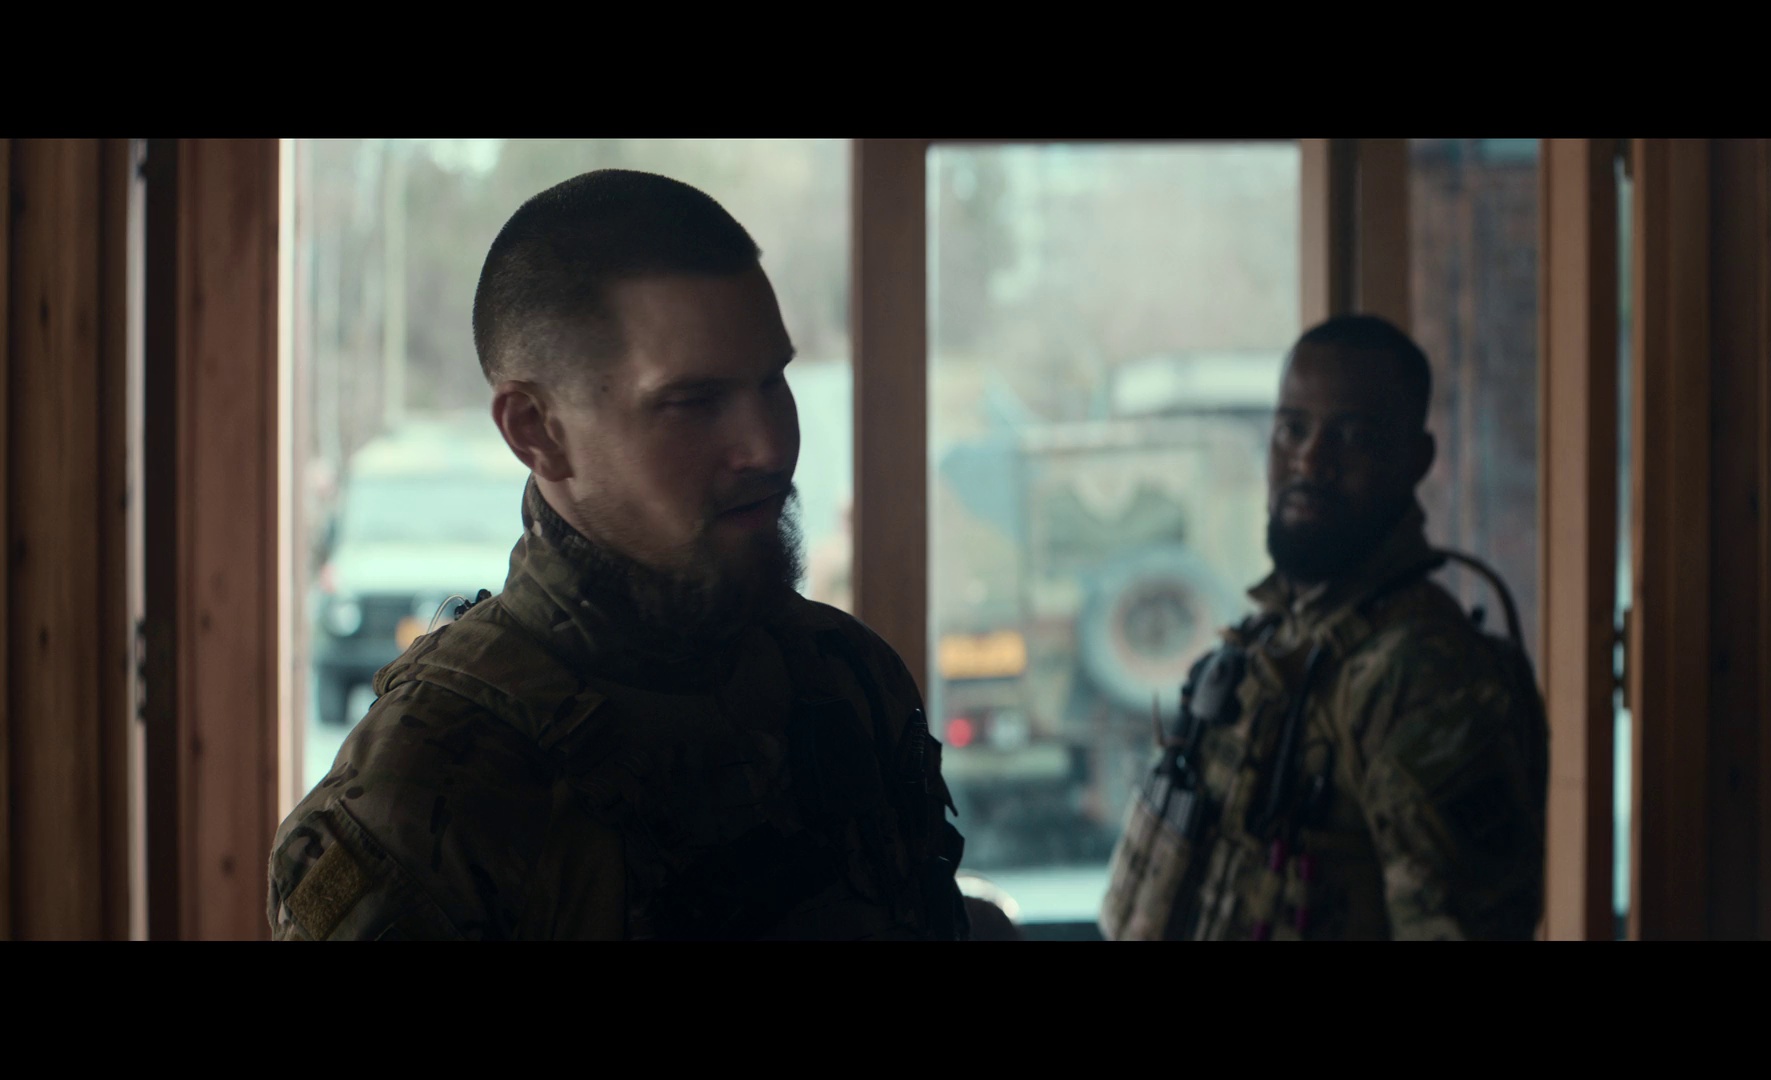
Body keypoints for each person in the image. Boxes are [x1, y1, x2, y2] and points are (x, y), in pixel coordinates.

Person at [267, 170, 968, 940]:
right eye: (694, 402)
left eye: (773, 382)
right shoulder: (426, 792)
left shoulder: (844, 671)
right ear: (536, 431)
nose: (769, 446)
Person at [1099, 314, 1548, 941]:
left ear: (1415, 460)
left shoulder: (1423, 680)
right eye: (1292, 430)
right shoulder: (1272, 640)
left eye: (1353, 436)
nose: (1310, 459)